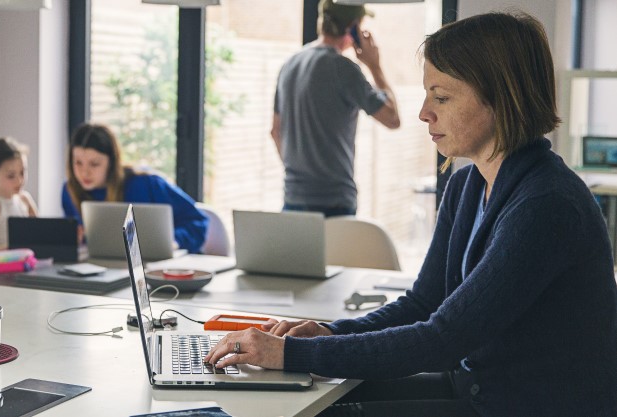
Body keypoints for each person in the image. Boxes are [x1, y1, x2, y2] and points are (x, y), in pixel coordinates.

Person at [206, 11, 617, 417]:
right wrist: (330, 331)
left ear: (501, 97)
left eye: (441, 97)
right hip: (479, 388)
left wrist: (292, 352)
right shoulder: (467, 186)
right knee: (306, 399)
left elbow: (442, 338)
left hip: (525, 405)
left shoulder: (547, 205)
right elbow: (423, 304)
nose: (424, 113)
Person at [272, 0, 400, 217]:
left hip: (292, 198)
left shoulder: (290, 64)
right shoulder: (344, 69)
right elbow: (392, 118)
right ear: (353, 28)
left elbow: (276, 132)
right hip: (334, 204)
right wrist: (374, 66)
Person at [62, 123, 209, 254]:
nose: (84, 172)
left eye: (94, 164)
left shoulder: (146, 183)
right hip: (104, 269)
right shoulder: (69, 191)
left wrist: (173, 242)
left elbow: (198, 222)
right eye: (78, 163)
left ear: (112, 163)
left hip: (159, 268)